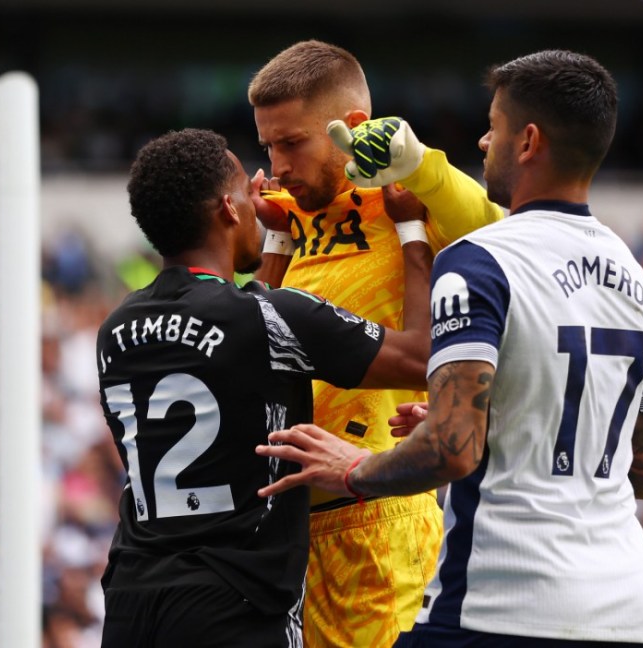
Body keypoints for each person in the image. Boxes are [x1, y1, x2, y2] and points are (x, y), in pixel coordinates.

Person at [257, 49, 643, 647]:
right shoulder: (639, 283)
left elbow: (451, 449)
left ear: (528, 141)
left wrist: (421, 169)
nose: (480, 143)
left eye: (493, 128)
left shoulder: (469, 249)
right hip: (625, 601)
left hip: (489, 589)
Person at [95, 127, 434, 647]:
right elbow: (418, 358)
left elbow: (249, 343)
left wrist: (275, 239)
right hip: (234, 605)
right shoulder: (271, 316)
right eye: (245, 196)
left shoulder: (115, 328)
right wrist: (412, 228)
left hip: (131, 602)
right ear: (228, 210)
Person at [247, 38, 505, 647]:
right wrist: (275, 241)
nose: (278, 165)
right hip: (284, 522)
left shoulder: (406, 202)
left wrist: (420, 169)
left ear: (351, 127)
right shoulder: (289, 215)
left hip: (376, 514)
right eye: (268, 147)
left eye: (292, 144)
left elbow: (499, 227)